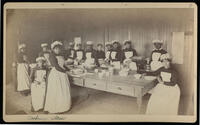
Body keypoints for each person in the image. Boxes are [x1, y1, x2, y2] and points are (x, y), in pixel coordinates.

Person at [44, 41, 71, 114]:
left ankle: (64, 106)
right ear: (53, 49)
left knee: (63, 89)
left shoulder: (61, 55)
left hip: (62, 72)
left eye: (58, 49)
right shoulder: (52, 56)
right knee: (57, 90)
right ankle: (57, 107)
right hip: (56, 74)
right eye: (56, 49)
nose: (57, 50)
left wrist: (69, 69)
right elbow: (56, 66)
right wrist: (65, 72)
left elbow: (63, 65)